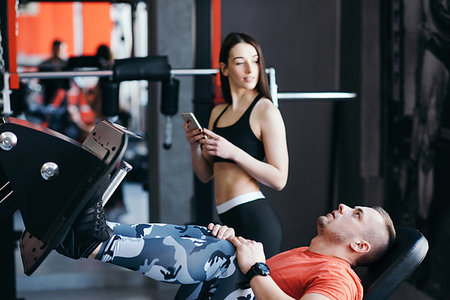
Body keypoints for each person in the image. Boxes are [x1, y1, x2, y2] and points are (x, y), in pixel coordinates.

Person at [56, 195, 396, 300]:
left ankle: (95, 243)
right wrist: (232, 241)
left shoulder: (341, 280)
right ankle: (95, 232)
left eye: (356, 214)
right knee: (216, 239)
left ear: (360, 244)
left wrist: (254, 267)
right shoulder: (311, 257)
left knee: (227, 257)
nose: (344, 207)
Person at [184, 32, 289, 258]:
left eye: (255, 61)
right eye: (240, 63)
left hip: (255, 219)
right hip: (226, 219)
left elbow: (279, 179)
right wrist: (194, 146)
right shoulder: (217, 113)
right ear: (224, 69)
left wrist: (233, 152)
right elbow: (205, 174)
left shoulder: (266, 110)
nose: (250, 70)